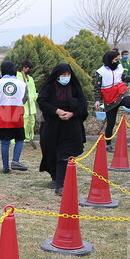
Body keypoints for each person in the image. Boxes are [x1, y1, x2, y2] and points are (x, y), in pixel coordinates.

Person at [37, 63, 88, 195]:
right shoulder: (49, 87)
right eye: (63, 75)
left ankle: (60, 184)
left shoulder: (75, 88)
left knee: (64, 155)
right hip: (53, 127)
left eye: (68, 75)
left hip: (71, 127)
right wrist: (57, 111)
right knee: (52, 152)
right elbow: (42, 102)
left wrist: (72, 114)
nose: (66, 77)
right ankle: (55, 177)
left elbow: (83, 106)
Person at [93, 50, 130, 152]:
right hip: (109, 97)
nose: (117, 62)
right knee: (111, 122)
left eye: (118, 59)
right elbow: (97, 88)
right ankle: (108, 144)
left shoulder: (119, 67)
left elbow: (125, 78)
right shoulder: (100, 72)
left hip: (120, 91)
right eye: (115, 60)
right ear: (110, 60)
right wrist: (97, 100)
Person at [0, 60, 29, 172]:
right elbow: (25, 99)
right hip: (17, 114)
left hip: (1, 114)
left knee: (5, 142)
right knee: (20, 139)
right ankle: (15, 161)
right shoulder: (22, 84)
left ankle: (5, 167)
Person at [18, 60, 39, 147]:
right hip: (22, 105)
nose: (29, 70)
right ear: (24, 68)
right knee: (22, 122)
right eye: (28, 68)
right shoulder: (18, 77)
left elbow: (33, 91)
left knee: (31, 122)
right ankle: (18, 138)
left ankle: (29, 138)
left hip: (31, 105)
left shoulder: (30, 79)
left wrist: (35, 99)